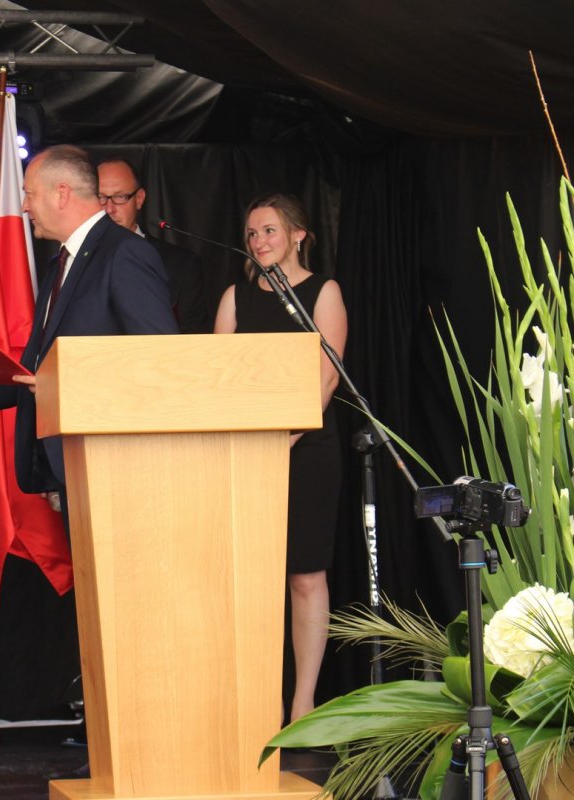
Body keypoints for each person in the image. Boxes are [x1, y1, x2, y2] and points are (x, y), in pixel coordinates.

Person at [0, 145, 179, 497]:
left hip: (115, 463)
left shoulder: (125, 253)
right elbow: (39, 370)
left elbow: (160, 360)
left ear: (62, 193)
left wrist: (68, 384)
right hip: (72, 463)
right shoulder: (60, 264)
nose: (24, 206)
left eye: (29, 194)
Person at [213, 193, 348, 723]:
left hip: (307, 449)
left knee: (304, 576)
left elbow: (327, 378)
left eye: (269, 230)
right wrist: (252, 438)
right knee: (249, 577)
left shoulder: (323, 291)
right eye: (252, 233)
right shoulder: (236, 297)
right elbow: (218, 376)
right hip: (246, 451)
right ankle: (254, 701)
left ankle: (302, 705)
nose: (259, 241)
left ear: (298, 235)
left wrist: (286, 435)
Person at [96, 158, 210, 333]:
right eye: (100, 198)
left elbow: (193, 339)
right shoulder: (74, 261)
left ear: (139, 199)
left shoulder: (182, 264)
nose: (109, 209)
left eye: (120, 197)